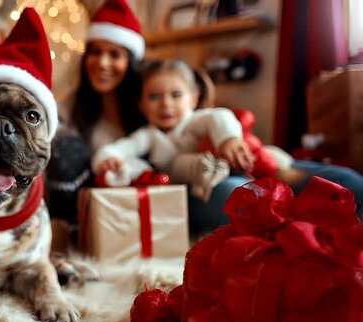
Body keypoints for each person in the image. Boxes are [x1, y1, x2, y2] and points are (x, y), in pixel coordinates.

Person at [93, 59, 363, 234]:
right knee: (239, 196)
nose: (166, 104)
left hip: (260, 166)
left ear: (194, 97)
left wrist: (229, 140)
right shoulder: (148, 137)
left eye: (176, 95)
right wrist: (109, 160)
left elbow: (220, 116)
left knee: (341, 179)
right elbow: (117, 150)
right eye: (154, 97)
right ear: (141, 105)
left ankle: (346, 204)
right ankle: (296, 225)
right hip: (202, 188)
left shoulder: (198, 120)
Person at [46, 0, 146, 236]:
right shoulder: (69, 107)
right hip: (86, 208)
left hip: (141, 201)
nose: (102, 63)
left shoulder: (147, 103)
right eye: (96, 52)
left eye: (114, 55)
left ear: (130, 62)